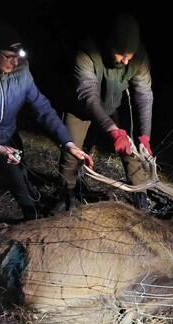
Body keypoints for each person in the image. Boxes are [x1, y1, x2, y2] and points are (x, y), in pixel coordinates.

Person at [0, 21, 94, 238]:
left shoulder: (22, 71)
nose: (15, 61)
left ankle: (36, 235)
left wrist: (69, 144)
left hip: (7, 139)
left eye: (19, 54)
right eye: (8, 55)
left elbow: (42, 108)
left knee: (23, 187)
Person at [54, 12, 154, 214]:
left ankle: (141, 193)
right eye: (121, 54)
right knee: (71, 152)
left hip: (110, 108)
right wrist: (112, 129)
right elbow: (88, 94)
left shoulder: (139, 57)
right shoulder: (87, 51)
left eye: (130, 55)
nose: (126, 61)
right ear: (109, 44)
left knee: (130, 149)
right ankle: (67, 195)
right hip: (80, 110)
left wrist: (145, 136)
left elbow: (144, 96)